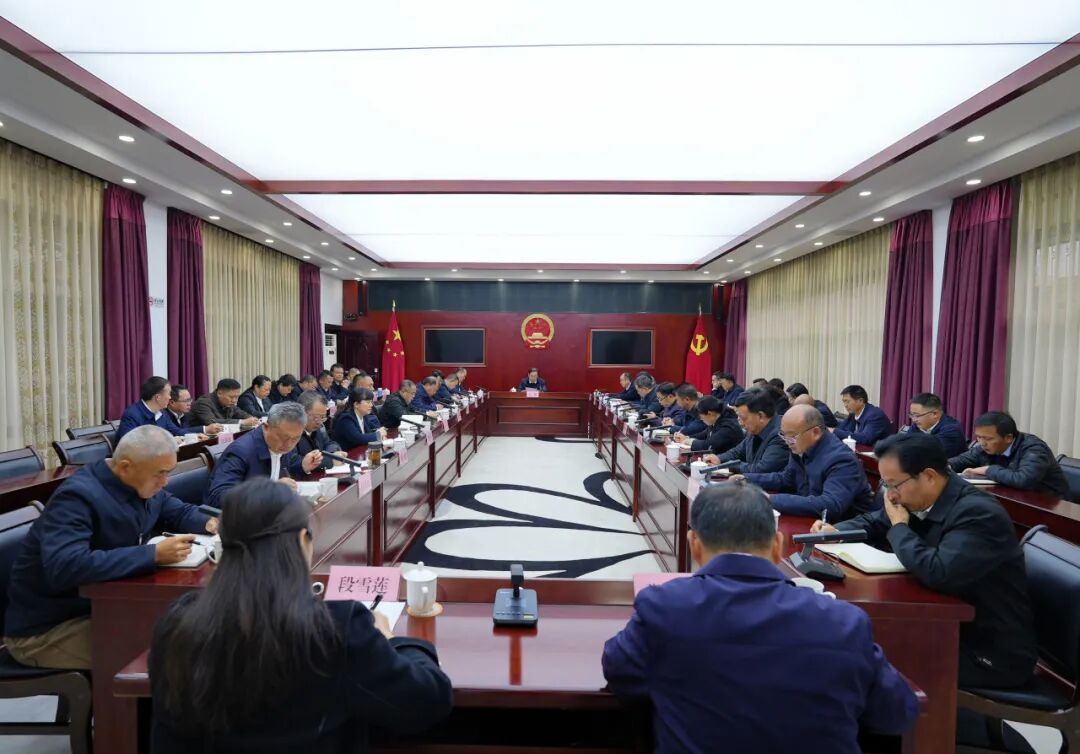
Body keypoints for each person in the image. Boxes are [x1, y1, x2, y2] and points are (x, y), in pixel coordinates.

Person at [602, 483, 918, 754]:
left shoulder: (664, 607)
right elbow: (896, 713)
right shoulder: (844, 622)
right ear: (778, 546)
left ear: (694, 545)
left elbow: (620, 674)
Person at [149, 479, 453, 754]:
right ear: (301, 540)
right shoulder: (337, 626)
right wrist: (391, 639)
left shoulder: (178, 622)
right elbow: (427, 702)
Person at [820, 432, 1037, 690]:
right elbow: (875, 521)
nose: (890, 495)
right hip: (941, 628)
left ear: (929, 476)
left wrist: (900, 528)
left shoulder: (978, 513)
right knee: (848, 641)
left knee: (856, 656)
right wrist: (836, 531)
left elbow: (938, 571)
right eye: (885, 485)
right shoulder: (920, 498)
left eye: (894, 485)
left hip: (987, 651)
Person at [3, 426, 217, 670]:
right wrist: (152, 555)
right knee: (173, 652)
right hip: (48, 629)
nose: (165, 481)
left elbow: (178, 511)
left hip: (105, 605)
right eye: (160, 473)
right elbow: (66, 566)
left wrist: (213, 523)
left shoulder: (141, 483)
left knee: (192, 629)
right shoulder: (77, 497)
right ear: (125, 467)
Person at [736, 404, 875, 519]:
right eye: (783, 435)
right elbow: (786, 479)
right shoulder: (801, 447)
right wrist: (746, 479)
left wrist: (770, 500)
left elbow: (830, 505)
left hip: (840, 532)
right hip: (810, 521)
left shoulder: (841, 460)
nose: (786, 441)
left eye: (791, 436)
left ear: (815, 432)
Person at [206, 403, 324, 509]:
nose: (288, 444)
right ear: (266, 427)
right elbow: (218, 497)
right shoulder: (241, 451)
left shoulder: (282, 443)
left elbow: (280, 471)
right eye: (283, 437)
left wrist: (303, 465)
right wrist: (270, 490)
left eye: (295, 438)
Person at [949, 411, 1068, 497]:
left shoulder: (1034, 448)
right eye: (979, 437)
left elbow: (1024, 480)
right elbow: (960, 461)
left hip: (1050, 506)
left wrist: (987, 470)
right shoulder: (985, 447)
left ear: (1008, 438)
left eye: (988, 439)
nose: (982, 443)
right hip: (1011, 499)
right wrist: (946, 466)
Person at [703, 388, 789, 474]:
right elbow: (737, 452)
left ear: (760, 416)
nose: (740, 423)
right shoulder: (755, 428)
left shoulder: (781, 435)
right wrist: (718, 459)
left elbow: (762, 469)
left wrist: (729, 466)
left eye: (743, 418)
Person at [118, 376, 207, 441]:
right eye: (168, 394)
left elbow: (176, 431)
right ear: (158, 397)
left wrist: (194, 436)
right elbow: (128, 443)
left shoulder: (162, 413)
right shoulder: (132, 415)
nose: (170, 397)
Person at [900, 392, 968, 458]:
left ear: (935, 414)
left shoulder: (951, 430)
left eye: (917, 415)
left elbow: (928, 455)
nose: (913, 420)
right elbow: (905, 446)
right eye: (912, 415)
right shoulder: (917, 425)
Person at [674, 396, 742, 455]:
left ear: (709, 413)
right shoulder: (717, 418)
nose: (701, 419)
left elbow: (708, 445)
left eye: (701, 416)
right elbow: (704, 434)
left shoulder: (728, 426)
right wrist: (686, 437)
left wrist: (688, 441)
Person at [295, 392, 344, 470]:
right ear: (302, 413)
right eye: (316, 417)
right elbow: (295, 462)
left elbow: (330, 443)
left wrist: (332, 454)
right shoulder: (291, 432)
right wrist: (330, 460)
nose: (320, 422)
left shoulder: (319, 427)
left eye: (323, 417)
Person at [191, 379, 260, 429]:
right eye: (231, 397)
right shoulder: (203, 403)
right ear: (219, 393)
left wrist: (251, 418)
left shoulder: (229, 402)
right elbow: (212, 422)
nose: (234, 400)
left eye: (237, 397)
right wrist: (242, 422)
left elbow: (239, 412)